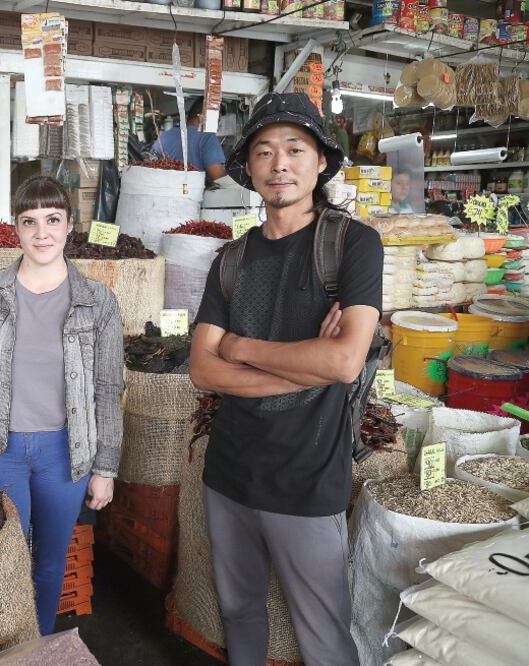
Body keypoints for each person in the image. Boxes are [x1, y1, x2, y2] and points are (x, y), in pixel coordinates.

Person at [190, 93, 382, 665]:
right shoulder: (232, 260)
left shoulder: (352, 243)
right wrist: (305, 367)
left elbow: (345, 362)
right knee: (239, 614)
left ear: (320, 161)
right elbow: (203, 369)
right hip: (229, 474)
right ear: (248, 167)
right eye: (264, 151)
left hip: (307, 478)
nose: (280, 164)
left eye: (295, 149)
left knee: (324, 633)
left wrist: (242, 349)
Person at [0, 176, 124, 635]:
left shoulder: (97, 301)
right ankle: (4, 648)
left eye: (52, 220)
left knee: (49, 563)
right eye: (30, 222)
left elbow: (108, 388)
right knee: (3, 561)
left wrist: (106, 468)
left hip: (66, 454)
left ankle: (40, 647)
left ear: (70, 226)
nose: (41, 232)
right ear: (17, 229)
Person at [153, 95, 227, 182]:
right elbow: (219, 179)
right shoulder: (207, 137)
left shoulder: (164, 136)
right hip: (193, 194)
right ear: (202, 118)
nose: (217, 127)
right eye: (216, 121)